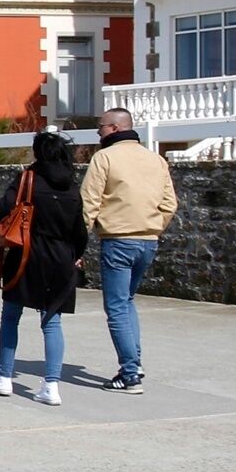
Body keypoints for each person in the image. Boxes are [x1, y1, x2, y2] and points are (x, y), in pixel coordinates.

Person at [0, 129, 88, 406]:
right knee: (52, 321)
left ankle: (4, 377)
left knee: (11, 316)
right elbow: (80, 231)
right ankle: (51, 385)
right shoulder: (72, 187)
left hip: (26, 255)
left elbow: (1, 209)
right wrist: (77, 254)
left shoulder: (28, 180)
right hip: (61, 258)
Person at [81, 105, 176, 392]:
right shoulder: (155, 159)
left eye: (102, 126)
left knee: (117, 307)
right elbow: (170, 203)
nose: (98, 131)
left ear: (115, 128)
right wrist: (152, 226)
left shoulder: (104, 158)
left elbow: (89, 203)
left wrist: (77, 244)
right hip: (148, 240)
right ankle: (135, 361)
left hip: (118, 240)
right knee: (127, 301)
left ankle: (130, 373)